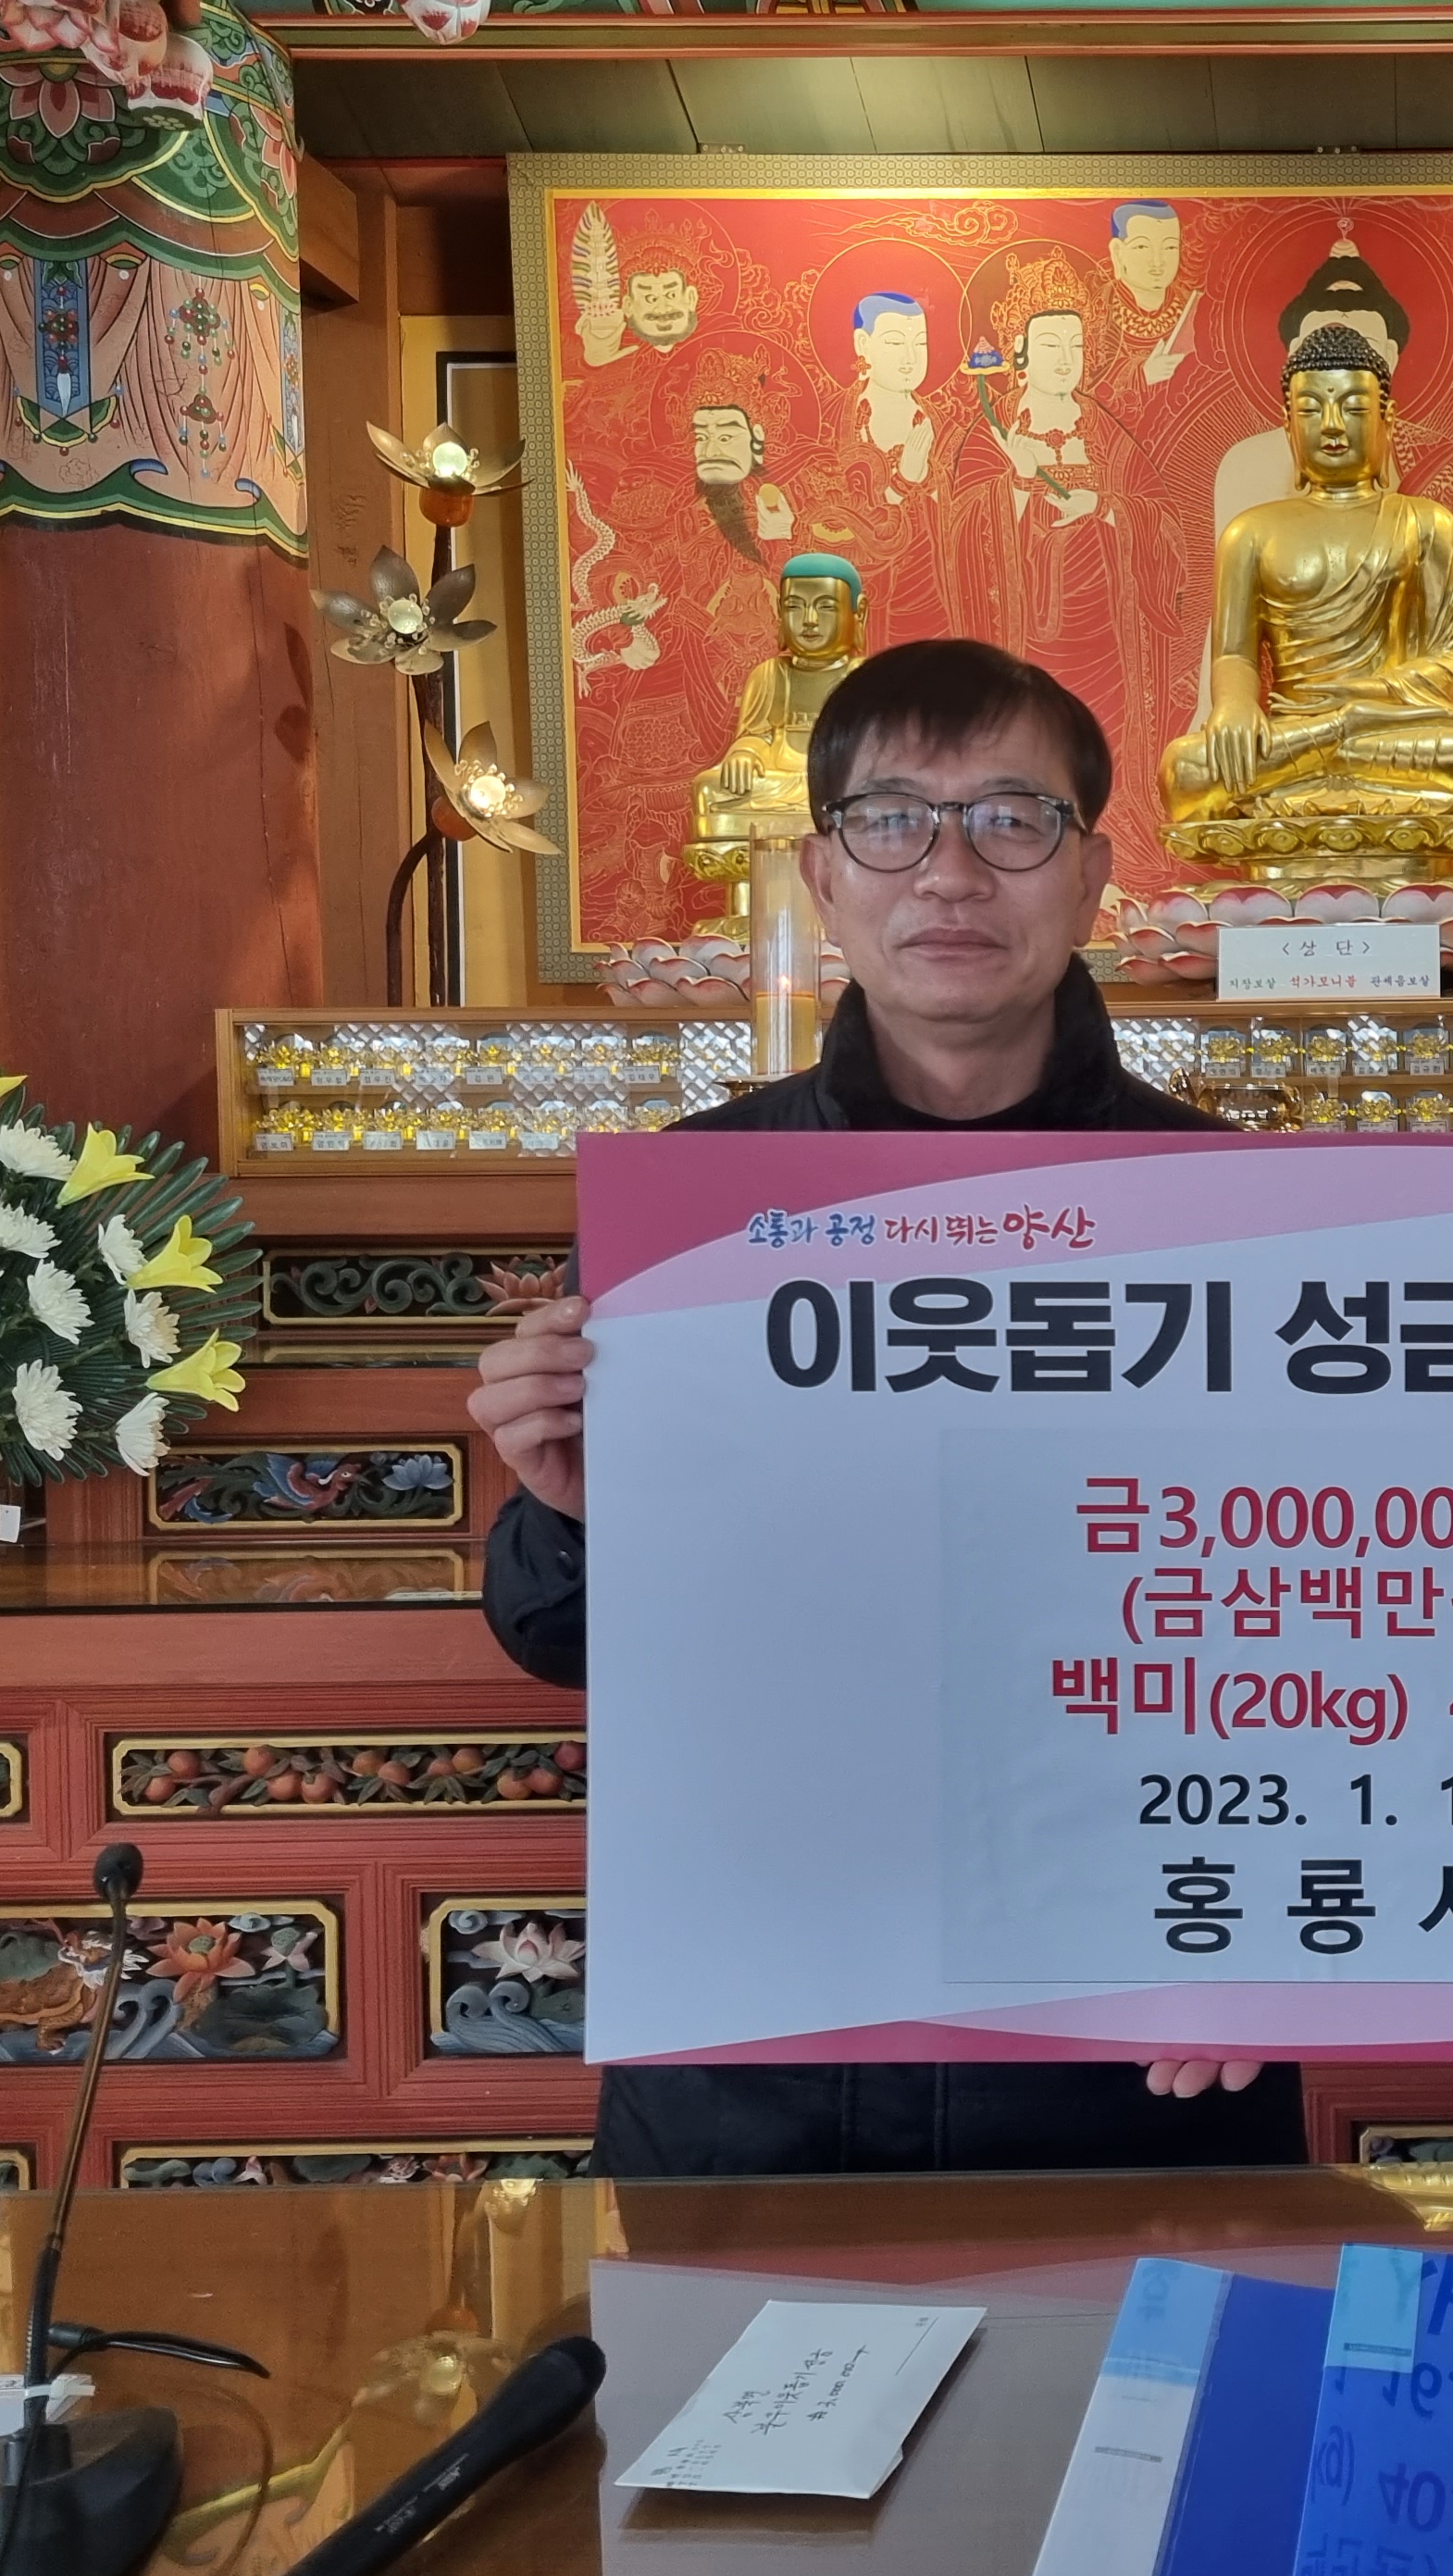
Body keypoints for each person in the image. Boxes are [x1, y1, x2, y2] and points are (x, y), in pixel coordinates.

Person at [468, 636, 1305, 2176]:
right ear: (820, 875)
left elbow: (1341, 1616)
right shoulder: (696, 1212)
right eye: (894, 821)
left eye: (1012, 820)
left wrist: (1299, 1925)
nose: (952, 873)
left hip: (1135, 2021)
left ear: (1093, 873)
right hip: (764, 2031)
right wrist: (575, 1510)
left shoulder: (1247, 1218)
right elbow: (552, 1635)